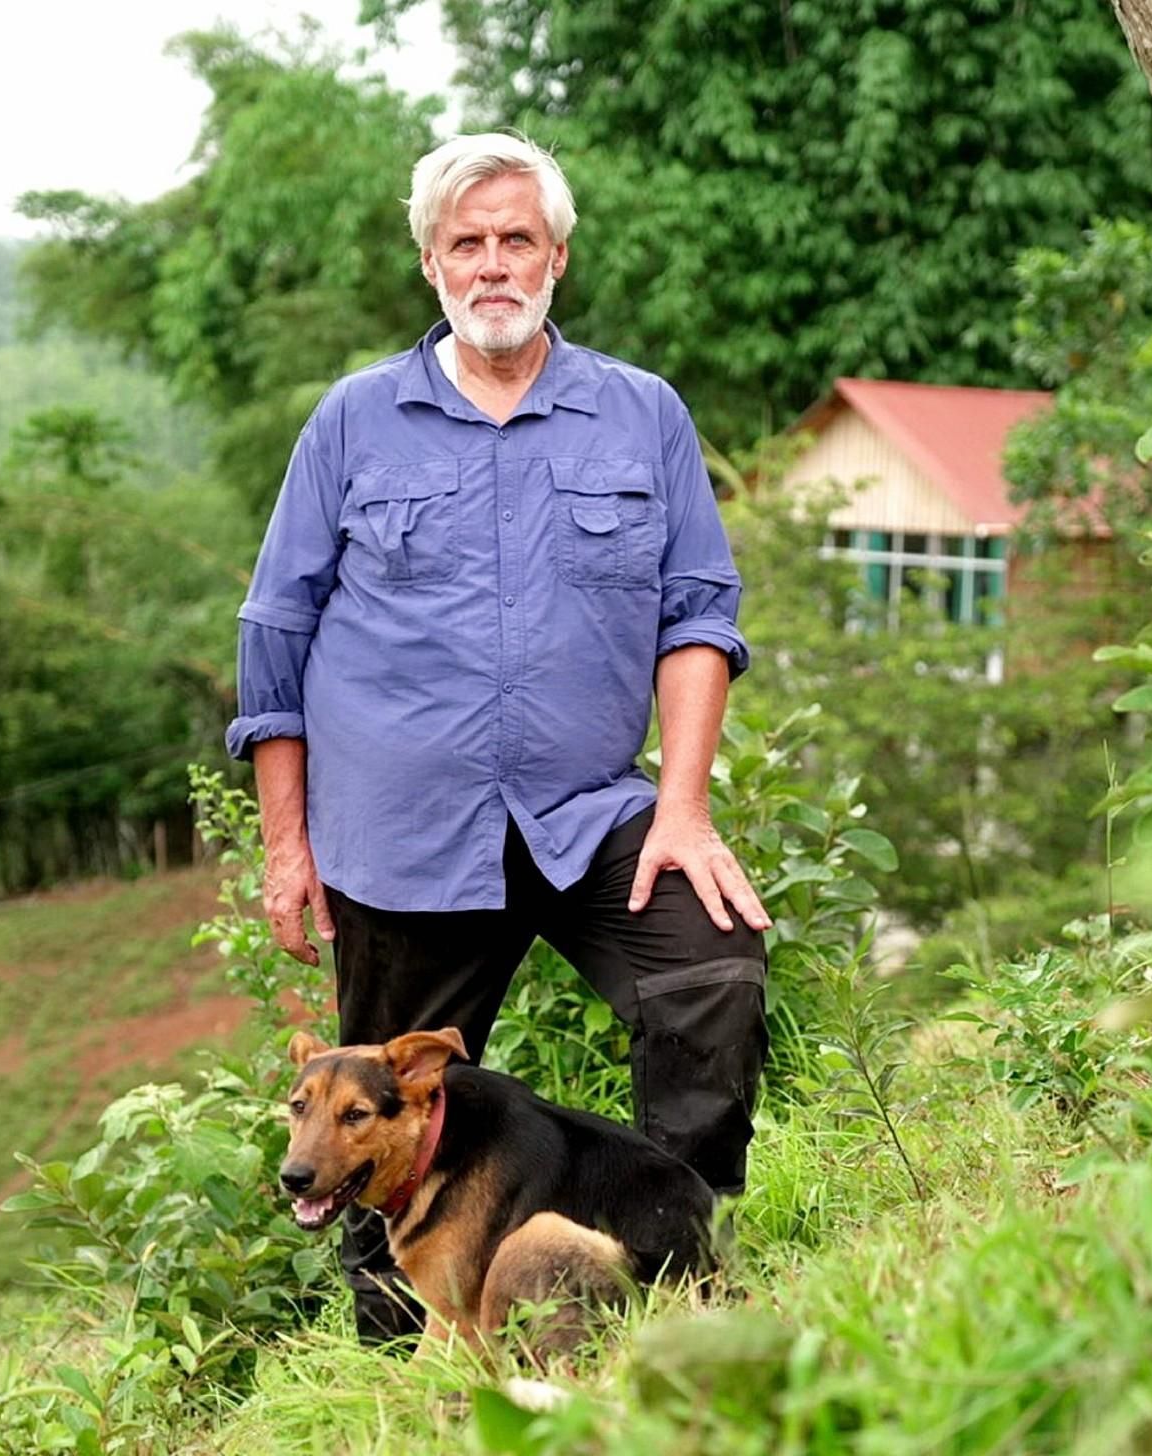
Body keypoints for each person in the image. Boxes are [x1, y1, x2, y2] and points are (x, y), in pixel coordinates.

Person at [222, 132, 772, 1343]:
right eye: (465, 243)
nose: (491, 264)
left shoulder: (643, 416)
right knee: (373, 1114)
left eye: (515, 238)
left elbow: (697, 614)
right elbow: (276, 633)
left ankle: (675, 1268)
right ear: (431, 265)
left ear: (557, 258)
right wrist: (285, 843)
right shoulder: (355, 422)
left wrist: (682, 809)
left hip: (588, 812)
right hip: (398, 835)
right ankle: (390, 1352)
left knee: (711, 968)